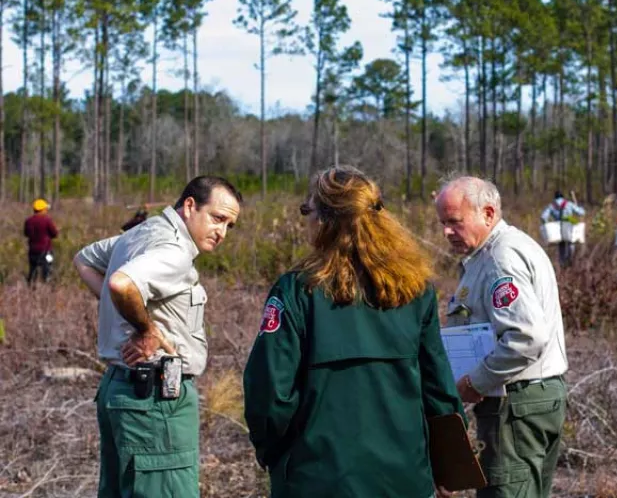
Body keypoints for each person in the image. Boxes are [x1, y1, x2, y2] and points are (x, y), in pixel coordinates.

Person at [243, 166, 464, 498]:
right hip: (405, 479)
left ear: (326, 221)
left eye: (308, 211)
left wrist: (273, 453)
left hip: (316, 479)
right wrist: (450, 464)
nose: (306, 220)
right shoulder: (416, 290)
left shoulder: (296, 290)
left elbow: (270, 393)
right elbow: (440, 390)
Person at [73, 176, 242, 498]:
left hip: (121, 389)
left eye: (229, 225)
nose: (221, 232)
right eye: (217, 218)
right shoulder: (175, 250)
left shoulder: (142, 233)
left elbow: (84, 260)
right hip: (153, 401)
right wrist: (145, 328)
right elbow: (122, 284)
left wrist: (125, 312)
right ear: (190, 206)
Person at [435, 177, 568, 498]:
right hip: (527, 401)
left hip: (515, 406)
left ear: (488, 213)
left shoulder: (500, 258)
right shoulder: (495, 252)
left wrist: (475, 382)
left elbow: (526, 338)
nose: (446, 232)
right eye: (442, 222)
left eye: (455, 222)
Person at [540, 190, 585, 267]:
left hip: (558, 228)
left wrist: (548, 224)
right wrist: (578, 207)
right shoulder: (569, 204)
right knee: (571, 242)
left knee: (561, 245)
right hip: (569, 225)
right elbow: (581, 212)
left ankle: (562, 264)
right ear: (563, 197)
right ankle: (570, 261)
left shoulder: (552, 206)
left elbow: (543, 217)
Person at [24, 198, 58, 285]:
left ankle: (31, 286)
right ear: (42, 210)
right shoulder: (47, 220)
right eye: (45, 209)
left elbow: (26, 234)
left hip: (32, 251)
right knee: (48, 268)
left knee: (32, 269)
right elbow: (54, 233)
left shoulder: (28, 221)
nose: (46, 210)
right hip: (46, 251)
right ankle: (47, 286)